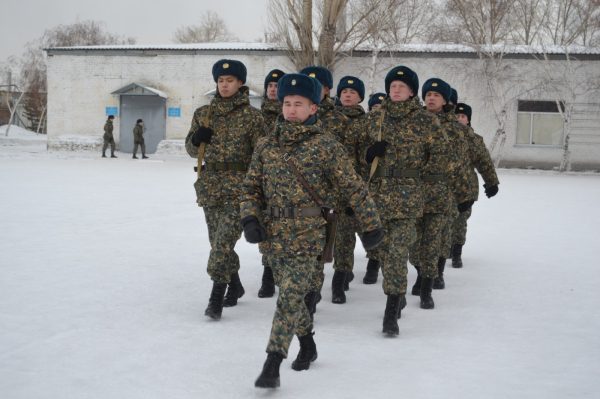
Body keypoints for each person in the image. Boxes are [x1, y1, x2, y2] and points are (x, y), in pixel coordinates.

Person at [241, 73, 383, 388]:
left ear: (314, 108)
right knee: (293, 294)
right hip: (274, 234)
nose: (291, 109)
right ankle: (307, 343)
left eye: (299, 104)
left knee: (290, 295)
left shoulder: (326, 146)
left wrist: (370, 225)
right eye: (287, 103)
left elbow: (353, 187)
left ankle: (272, 362)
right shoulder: (266, 144)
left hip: (309, 233)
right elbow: (251, 188)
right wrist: (250, 219)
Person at [359, 65, 438, 335]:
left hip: (408, 198)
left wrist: (423, 184)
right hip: (378, 197)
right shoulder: (375, 118)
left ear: (412, 91)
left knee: (397, 253)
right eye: (392, 86)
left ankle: (391, 311)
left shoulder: (426, 121)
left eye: (401, 86)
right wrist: (369, 155)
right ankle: (397, 291)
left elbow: (441, 158)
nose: (395, 90)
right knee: (380, 251)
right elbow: (357, 155)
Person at [185, 59, 265, 320]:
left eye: (229, 81)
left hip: (240, 190)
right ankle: (237, 284)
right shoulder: (203, 114)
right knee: (216, 242)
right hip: (211, 187)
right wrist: (197, 140)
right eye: (220, 81)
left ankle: (216, 296)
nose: (224, 85)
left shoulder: (253, 118)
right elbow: (190, 150)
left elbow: (262, 156)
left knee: (222, 244)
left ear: (240, 83)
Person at [408, 78, 469, 308]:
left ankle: (426, 287)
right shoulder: (414, 123)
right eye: (428, 95)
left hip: (441, 192)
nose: (431, 98)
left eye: (436, 95)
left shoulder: (454, 128)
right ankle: (419, 271)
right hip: (414, 192)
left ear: (445, 100)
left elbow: (460, 163)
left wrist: (464, 195)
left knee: (433, 242)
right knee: (413, 244)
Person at [299, 65, 352, 314]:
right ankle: (306, 295)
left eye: (318, 87)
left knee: (330, 245)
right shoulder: (292, 118)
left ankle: (326, 288)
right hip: (297, 196)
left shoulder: (340, 121)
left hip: (330, 196)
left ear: (328, 90)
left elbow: (351, 160)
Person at [330, 75, 367, 304]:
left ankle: (375, 266)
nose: (348, 94)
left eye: (353, 92)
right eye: (344, 91)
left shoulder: (368, 123)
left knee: (369, 237)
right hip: (332, 188)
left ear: (360, 97)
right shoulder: (328, 120)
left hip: (358, 187)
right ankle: (338, 282)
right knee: (341, 237)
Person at [450, 101, 499, 268]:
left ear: (468, 119)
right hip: (443, 188)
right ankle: (443, 250)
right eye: (456, 115)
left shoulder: (474, 139)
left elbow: (484, 162)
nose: (459, 119)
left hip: (465, 189)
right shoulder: (442, 135)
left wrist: (491, 182)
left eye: (462, 116)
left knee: (460, 222)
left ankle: (456, 252)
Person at [256, 68, 285, 299]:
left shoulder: (290, 114)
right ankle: (268, 273)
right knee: (266, 226)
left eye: (277, 86)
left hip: (285, 181)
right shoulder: (258, 116)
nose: (273, 90)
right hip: (262, 178)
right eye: (270, 86)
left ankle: (280, 272)